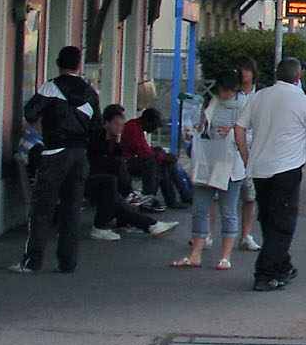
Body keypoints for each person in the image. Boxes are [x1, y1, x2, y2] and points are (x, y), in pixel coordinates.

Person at [236, 57, 306, 291]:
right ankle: (265, 273)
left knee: (268, 218)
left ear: (276, 75)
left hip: (259, 168)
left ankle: (283, 265)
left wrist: (245, 154)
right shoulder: (301, 101)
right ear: (298, 77)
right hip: (286, 169)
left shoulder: (259, 97)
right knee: (283, 222)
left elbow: (239, 127)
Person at [14, 46, 100, 274]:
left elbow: (30, 113)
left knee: (42, 208)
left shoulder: (51, 87)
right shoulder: (90, 93)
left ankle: (32, 262)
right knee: (72, 209)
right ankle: (67, 262)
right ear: (79, 65)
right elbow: (97, 128)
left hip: (54, 152)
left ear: (58, 62)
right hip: (79, 155)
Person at [174, 70, 246, 270]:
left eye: (226, 91)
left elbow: (250, 134)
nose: (222, 94)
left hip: (231, 166)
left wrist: (234, 133)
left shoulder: (244, 106)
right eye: (220, 90)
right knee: (199, 208)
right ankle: (195, 253)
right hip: (209, 161)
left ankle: (225, 256)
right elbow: (202, 125)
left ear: (235, 89)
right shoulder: (211, 104)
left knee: (228, 210)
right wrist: (198, 129)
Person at [86, 105, 178, 240]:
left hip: (107, 176)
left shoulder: (114, 137)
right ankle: (147, 220)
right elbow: (101, 161)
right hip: (92, 176)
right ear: (106, 124)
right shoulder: (97, 138)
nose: (119, 128)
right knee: (114, 183)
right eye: (116, 124)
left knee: (115, 192)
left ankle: (147, 222)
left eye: (121, 125)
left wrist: (117, 141)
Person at [119, 107, 182, 208]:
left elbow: (146, 149)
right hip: (127, 161)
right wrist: (163, 157)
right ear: (146, 121)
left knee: (161, 160)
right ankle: (148, 197)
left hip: (134, 158)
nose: (154, 129)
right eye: (154, 125)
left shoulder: (137, 126)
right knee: (152, 163)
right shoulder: (133, 127)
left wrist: (162, 156)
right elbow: (143, 153)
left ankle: (170, 199)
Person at [231, 58, 262, 251]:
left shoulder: (260, 95)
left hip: (253, 148)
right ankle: (206, 234)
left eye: (247, 70)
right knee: (219, 194)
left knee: (249, 195)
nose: (244, 73)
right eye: (240, 70)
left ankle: (246, 234)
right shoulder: (230, 93)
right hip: (229, 147)